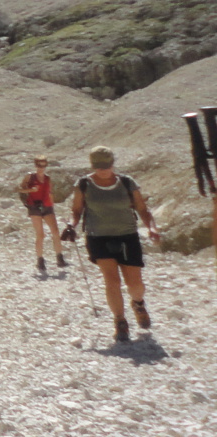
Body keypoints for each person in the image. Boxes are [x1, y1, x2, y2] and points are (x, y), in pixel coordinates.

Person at [68, 146, 162, 343]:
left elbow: (143, 210)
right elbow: (76, 210)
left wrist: (151, 227)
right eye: (99, 166)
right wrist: (71, 225)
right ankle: (120, 321)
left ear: (112, 164)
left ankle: (138, 303)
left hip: (127, 235)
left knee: (135, 284)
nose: (103, 170)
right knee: (112, 281)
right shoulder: (84, 184)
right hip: (98, 237)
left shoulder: (127, 183)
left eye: (106, 166)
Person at [18, 156, 66, 273]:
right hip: (34, 207)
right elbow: (20, 189)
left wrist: (53, 205)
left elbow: (49, 192)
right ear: (36, 165)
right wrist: (31, 190)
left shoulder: (47, 178)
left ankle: (59, 257)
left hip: (47, 206)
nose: (42, 168)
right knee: (41, 235)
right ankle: (40, 260)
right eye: (39, 165)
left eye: (44, 165)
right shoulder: (29, 176)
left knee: (55, 232)